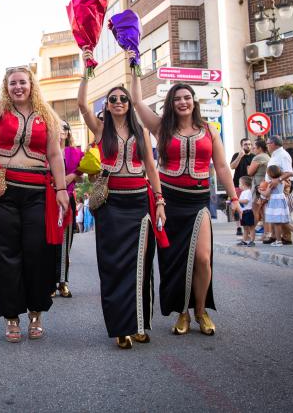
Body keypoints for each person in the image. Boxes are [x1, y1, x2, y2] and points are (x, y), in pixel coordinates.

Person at [0, 42, 69, 344]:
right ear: (6, 86)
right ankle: (11, 316)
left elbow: (55, 156)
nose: (18, 87)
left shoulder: (47, 116)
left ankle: (36, 312)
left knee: (37, 253)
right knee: (4, 255)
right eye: (13, 83)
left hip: (37, 191)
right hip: (1, 192)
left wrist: (62, 189)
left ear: (31, 85)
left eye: (23, 82)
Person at [131, 77, 240, 336]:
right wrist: (134, 64)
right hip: (168, 201)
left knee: (202, 258)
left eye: (187, 97)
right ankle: (182, 312)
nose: (183, 102)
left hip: (198, 199)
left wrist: (234, 198)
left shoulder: (210, 129)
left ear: (194, 101)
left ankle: (200, 311)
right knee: (173, 262)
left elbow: (222, 167)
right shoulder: (161, 128)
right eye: (177, 98)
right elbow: (136, 101)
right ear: (171, 103)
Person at [79, 70, 166, 348]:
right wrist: (86, 72)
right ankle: (121, 326)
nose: (118, 102)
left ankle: (139, 323)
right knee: (115, 265)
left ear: (129, 104)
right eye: (113, 99)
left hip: (140, 202)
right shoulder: (100, 129)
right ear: (107, 104)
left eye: (123, 99)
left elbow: (151, 169)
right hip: (111, 203)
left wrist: (160, 200)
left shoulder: (141, 132)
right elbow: (82, 104)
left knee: (140, 265)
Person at [56, 121, 83, 298]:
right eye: (56, 128)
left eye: (64, 128)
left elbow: (82, 178)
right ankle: (49, 282)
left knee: (66, 241)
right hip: (48, 198)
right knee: (48, 242)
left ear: (68, 133)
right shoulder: (45, 152)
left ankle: (63, 282)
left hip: (68, 199)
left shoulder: (75, 153)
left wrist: (72, 175)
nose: (61, 131)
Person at [229, 138, 254, 237]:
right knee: (236, 207)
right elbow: (232, 166)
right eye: (245, 144)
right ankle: (238, 227)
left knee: (249, 207)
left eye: (249, 144)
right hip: (237, 185)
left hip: (249, 186)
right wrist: (240, 156)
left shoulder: (253, 157)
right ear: (241, 146)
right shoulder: (236, 155)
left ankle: (248, 228)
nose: (248, 146)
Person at [263, 165, 292, 247]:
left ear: (270, 174)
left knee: (276, 222)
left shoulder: (271, 183)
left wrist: (259, 190)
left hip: (275, 202)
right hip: (281, 200)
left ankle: (278, 241)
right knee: (281, 221)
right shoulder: (282, 181)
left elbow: (266, 194)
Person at [246, 139, 270, 237]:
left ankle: (249, 234)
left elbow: (249, 172)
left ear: (260, 148)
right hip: (265, 186)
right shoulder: (268, 156)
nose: (253, 149)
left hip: (258, 187)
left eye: (254, 147)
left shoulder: (258, 157)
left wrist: (248, 168)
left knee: (255, 210)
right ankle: (266, 234)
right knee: (263, 211)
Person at [236, 176, 255, 247]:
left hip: (248, 212)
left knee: (251, 227)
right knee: (245, 228)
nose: (239, 185)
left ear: (244, 185)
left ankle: (252, 241)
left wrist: (237, 200)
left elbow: (246, 201)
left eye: (240, 184)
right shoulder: (243, 192)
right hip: (243, 212)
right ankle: (244, 240)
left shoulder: (248, 192)